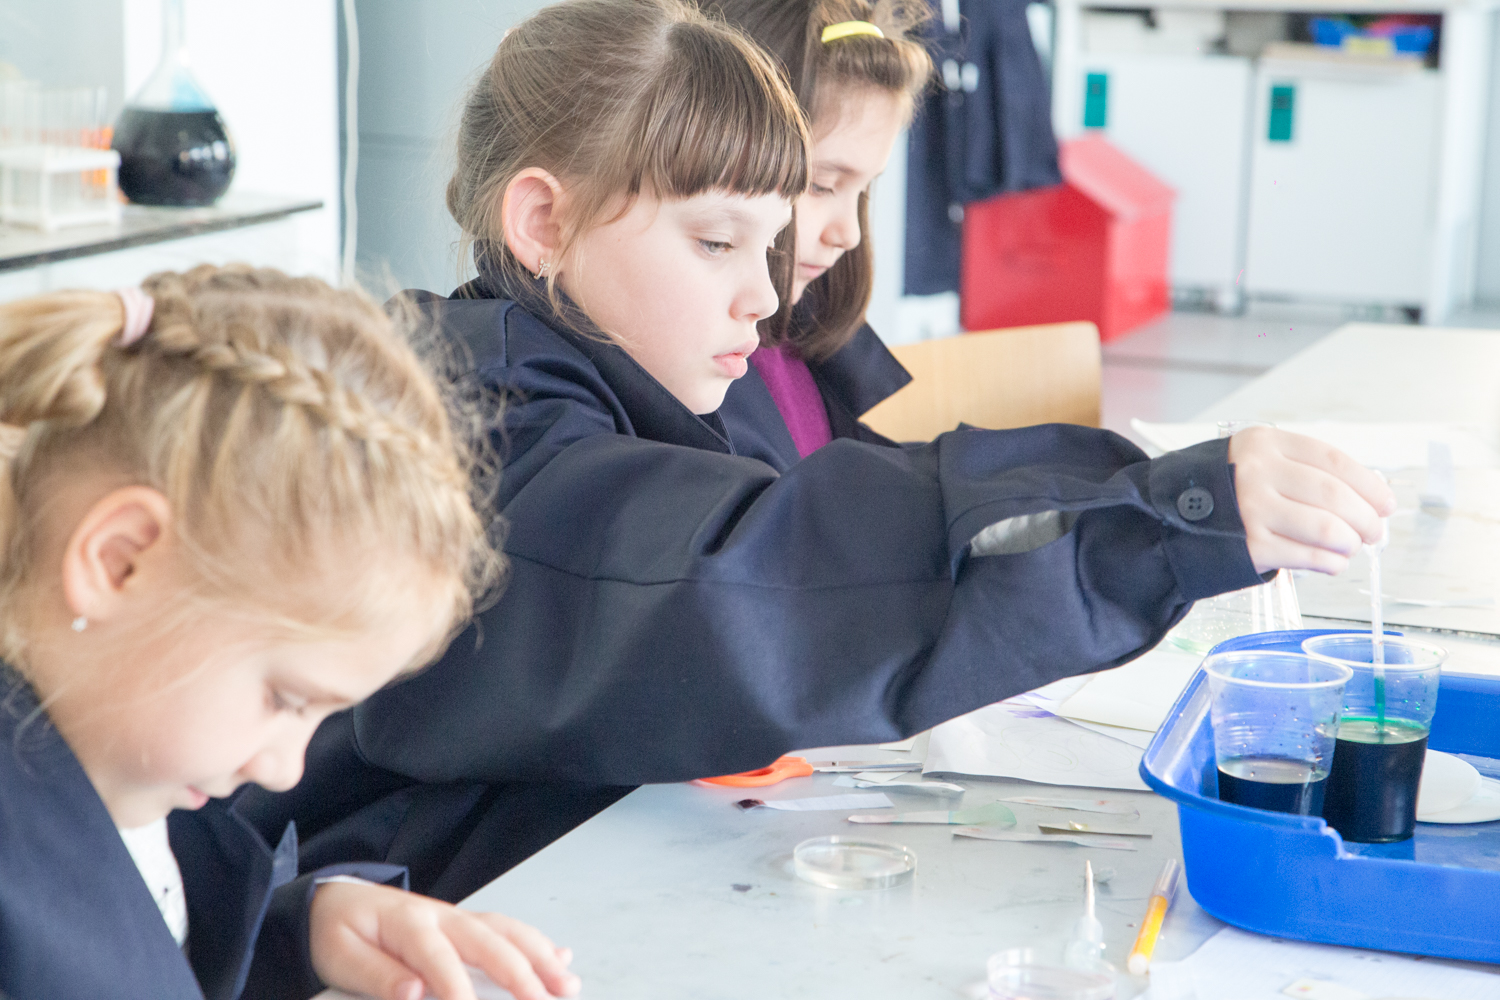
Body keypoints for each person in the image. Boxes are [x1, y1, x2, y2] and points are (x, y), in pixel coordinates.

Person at [252, 0, 1395, 904]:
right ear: (543, 223)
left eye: (771, 244)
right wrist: (1158, 515)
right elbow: (739, 577)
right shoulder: (478, 431)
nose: (764, 296)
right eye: (716, 242)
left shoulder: (632, 380)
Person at [0, 266, 580, 1000]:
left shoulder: (118, 760)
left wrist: (296, 929)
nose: (285, 770)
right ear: (121, 562)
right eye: (284, 699)